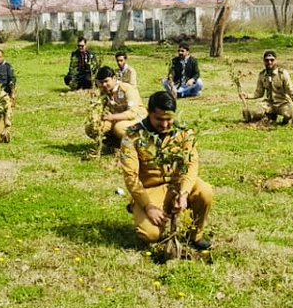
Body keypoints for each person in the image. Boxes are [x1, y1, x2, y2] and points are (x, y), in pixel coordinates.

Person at [119, 91, 213, 250]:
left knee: (205, 192)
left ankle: (195, 234)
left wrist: (183, 194)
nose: (164, 125)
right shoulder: (133, 136)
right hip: (150, 189)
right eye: (159, 119)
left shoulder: (184, 133)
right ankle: (138, 207)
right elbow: (131, 176)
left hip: (178, 183)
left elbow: (191, 165)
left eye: (169, 119)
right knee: (150, 234)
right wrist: (148, 206)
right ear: (149, 113)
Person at [88, 66, 144, 149]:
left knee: (119, 128)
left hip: (137, 119)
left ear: (114, 78)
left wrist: (112, 117)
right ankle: (114, 142)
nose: (104, 84)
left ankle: (138, 145)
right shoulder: (104, 91)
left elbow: (132, 113)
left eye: (106, 81)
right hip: (116, 119)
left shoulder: (127, 89)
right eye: (101, 82)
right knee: (93, 127)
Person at [242, 50, 293, 125]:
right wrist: (247, 96)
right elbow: (259, 93)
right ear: (264, 61)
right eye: (267, 60)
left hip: (282, 103)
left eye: (272, 60)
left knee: (288, 113)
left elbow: (290, 90)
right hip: (269, 104)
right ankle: (270, 116)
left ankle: (284, 122)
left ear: (276, 61)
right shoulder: (262, 75)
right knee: (254, 112)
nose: (269, 62)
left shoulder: (283, 74)